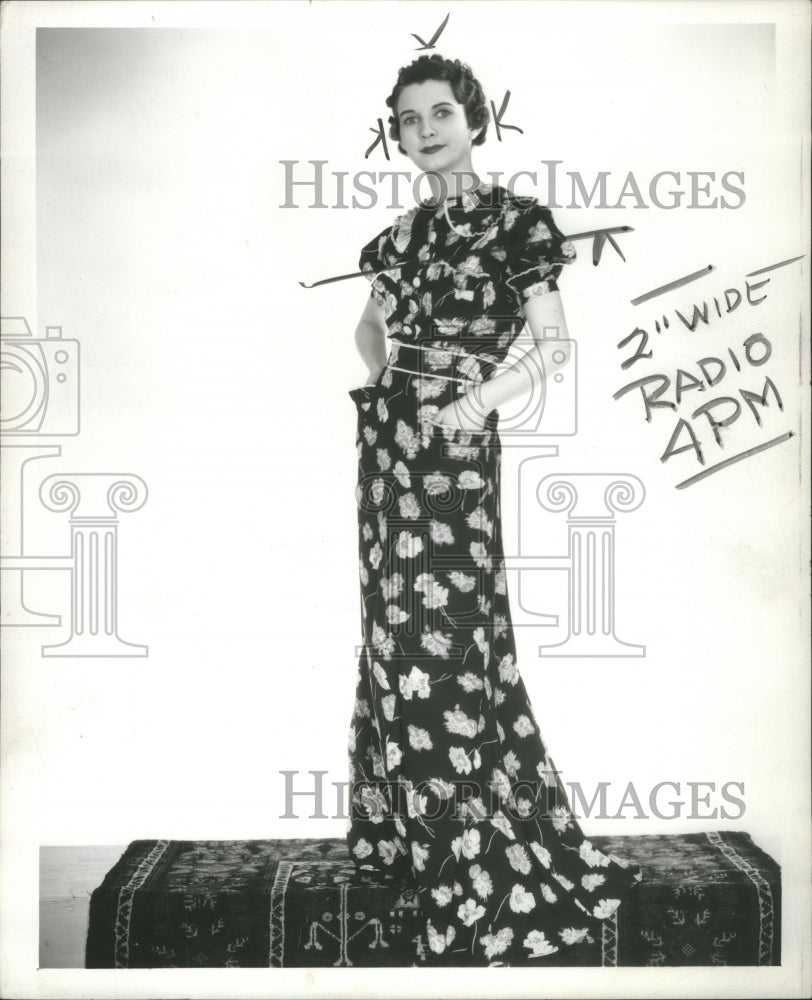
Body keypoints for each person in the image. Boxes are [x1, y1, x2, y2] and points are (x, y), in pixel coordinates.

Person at [344, 53, 641, 967]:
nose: (424, 130)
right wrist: (383, 370)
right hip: (388, 446)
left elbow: (553, 344)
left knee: (453, 640)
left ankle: (470, 861)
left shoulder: (518, 223)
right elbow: (366, 327)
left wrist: (475, 401)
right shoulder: (395, 241)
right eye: (408, 121)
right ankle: (407, 840)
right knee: (394, 633)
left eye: (440, 113)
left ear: (475, 119)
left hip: (456, 449)